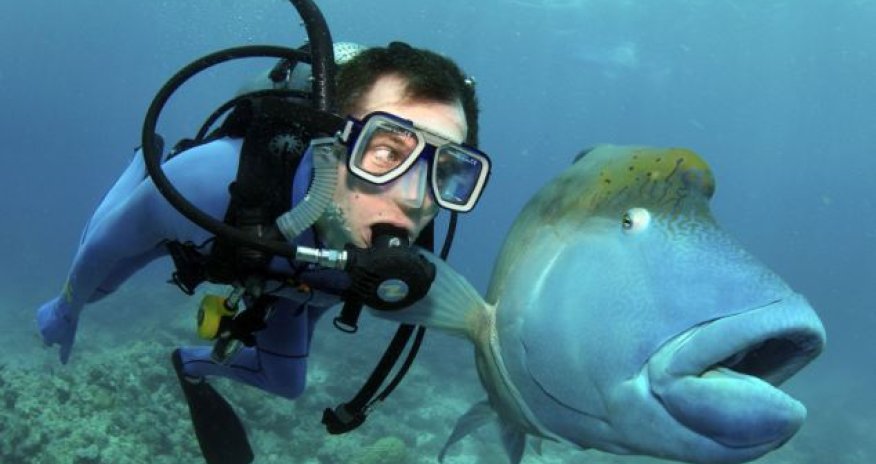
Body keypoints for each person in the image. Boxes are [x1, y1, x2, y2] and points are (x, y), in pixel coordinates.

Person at [35, 41, 491, 463]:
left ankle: (188, 364)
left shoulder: (406, 263)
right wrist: (66, 308)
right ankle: (141, 162)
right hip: (209, 238)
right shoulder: (208, 181)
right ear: (330, 144)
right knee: (100, 284)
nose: (415, 198)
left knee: (287, 384)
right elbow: (106, 243)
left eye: (448, 169)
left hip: (285, 282)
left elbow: (319, 299)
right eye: (388, 151)